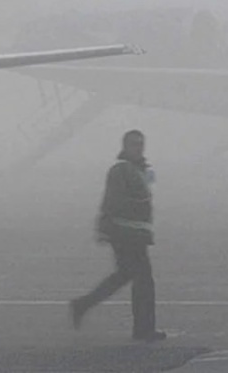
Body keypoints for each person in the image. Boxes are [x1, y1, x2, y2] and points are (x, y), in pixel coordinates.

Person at [69, 129, 166, 342]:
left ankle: (83, 304)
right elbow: (112, 200)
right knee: (143, 280)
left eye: (141, 144)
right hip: (124, 233)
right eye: (133, 144)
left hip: (135, 233)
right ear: (125, 146)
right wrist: (105, 227)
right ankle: (143, 329)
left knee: (126, 275)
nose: (138, 147)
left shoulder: (140, 169)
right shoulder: (121, 170)